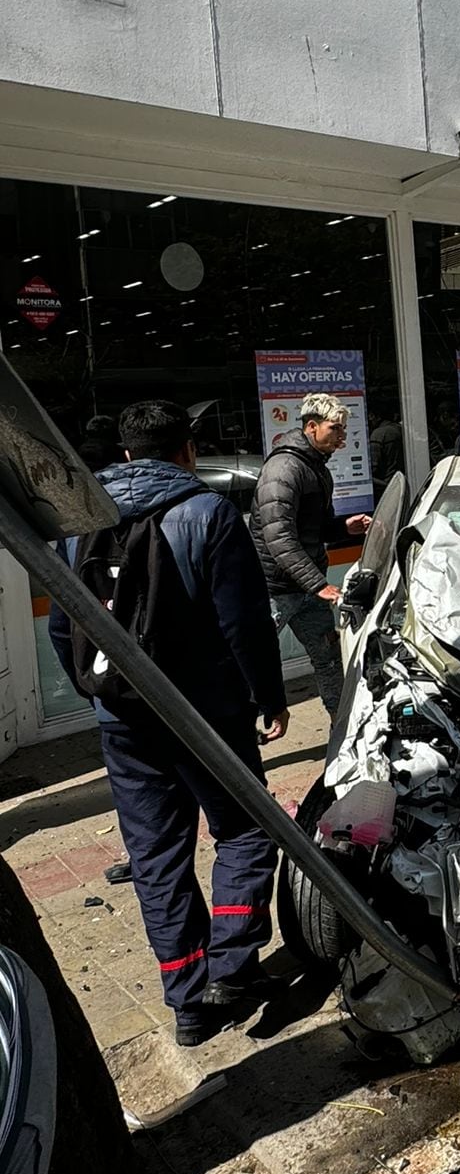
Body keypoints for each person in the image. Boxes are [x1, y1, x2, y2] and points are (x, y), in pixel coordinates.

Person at [49, 401, 289, 1047]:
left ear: (126, 454)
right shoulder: (208, 514)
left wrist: (99, 695)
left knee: (156, 855)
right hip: (206, 715)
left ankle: (187, 999)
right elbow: (244, 624)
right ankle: (232, 970)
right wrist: (269, 698)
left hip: (121, 721)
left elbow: (60, 626)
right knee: (244, 831)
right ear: (186, 450)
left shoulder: (79, 525)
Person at [251, 393, 372, 720]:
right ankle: (232, 743)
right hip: (276, 589)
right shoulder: (283, 469)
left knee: (330, 659)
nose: (342, 437)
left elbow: (313, 528)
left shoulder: (316, 467)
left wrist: (345, 528)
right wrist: (319, 584)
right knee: (250, 663)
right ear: (311, 426)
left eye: (344, 429)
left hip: (306, 586)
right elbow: (278, 536)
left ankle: (344, 727)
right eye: (335, 428)